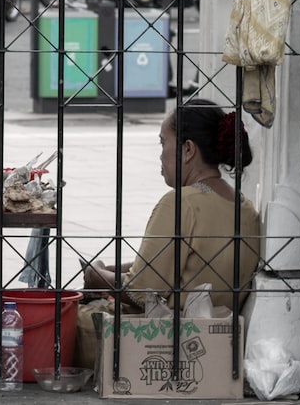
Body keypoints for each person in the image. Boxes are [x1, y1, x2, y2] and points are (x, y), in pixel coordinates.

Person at [75, 101, 263, 369]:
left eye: (163, 143)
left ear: (187, 150)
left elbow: (141, 292)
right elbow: (179, 263)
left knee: (52, 317)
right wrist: (110, 270)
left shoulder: (180, 204)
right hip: (210, 338)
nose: (161, 155)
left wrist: (96, 275)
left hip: (162, 338)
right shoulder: (243, 206)